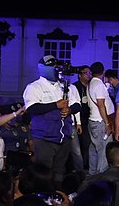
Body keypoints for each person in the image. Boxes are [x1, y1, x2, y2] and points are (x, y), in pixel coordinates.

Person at [22, 55, 82, 186]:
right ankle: (43, 196)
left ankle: (57, 195)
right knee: (44, 171)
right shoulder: (34, 87)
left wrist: (70, 110)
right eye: (53, 66)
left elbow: (77, 104)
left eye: (57, 66)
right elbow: (32, 108)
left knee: (60, 170)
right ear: (43, 69)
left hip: (64, 136)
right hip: (44, 137)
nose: (56, 69)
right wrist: (55, 105)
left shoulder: (67, 86)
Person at [86, 61, 115, 174]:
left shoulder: (91, 83)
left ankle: (92, 172)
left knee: (94, 148)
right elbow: (101, 105)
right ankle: (101, 174)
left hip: (94, 119)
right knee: (103, 149)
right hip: (100, 121)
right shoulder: (98, 85)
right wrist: (107, 123)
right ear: (103, 72)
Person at [73, 64, 92, 170]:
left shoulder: (92, 86)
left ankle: (86, 166)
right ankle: (80, 168)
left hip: (90, 117)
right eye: (86, 73)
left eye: (90, 73)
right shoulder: (75, 87)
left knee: (88, 144)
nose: (89, 75)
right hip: (79, 118)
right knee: (80, 145)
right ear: (80, 75)